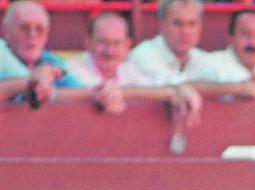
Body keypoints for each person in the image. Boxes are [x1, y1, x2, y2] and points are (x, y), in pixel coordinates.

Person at [64, 12, 201, 122]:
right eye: (103, 42)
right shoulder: (72, 68)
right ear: (88, 43)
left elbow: (157, 84)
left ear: (127, 46)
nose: (110, 51)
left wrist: (180, 89)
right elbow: (104, 92)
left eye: (116, 43)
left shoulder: (128, 70)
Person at [0, 0, 84, 104]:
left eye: (40, 29)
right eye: (24, 28)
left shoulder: (50, 61)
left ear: (47, 35)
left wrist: (100, 93)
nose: (32, 35)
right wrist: (29, 83)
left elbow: (79, 89)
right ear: (6, 31)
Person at [127, 0, 211, 85]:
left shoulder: (202, 58)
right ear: (162, 24)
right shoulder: (142, 55)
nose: (185, 31)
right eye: (177, 23)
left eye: (192, 23)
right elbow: (176, 86)